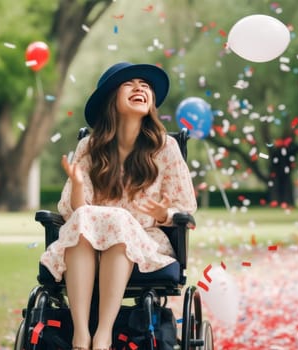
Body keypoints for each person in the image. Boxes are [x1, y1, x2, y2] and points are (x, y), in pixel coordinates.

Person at [40, 62, 197, 349]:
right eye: (130, 83)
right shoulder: (90, 147)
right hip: (88, 243)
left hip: (145, 241)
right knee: (85, 221)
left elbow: (184, 208)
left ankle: (103, 335)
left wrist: (164, 213)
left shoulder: (166, 148)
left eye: (146, 85)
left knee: (118, 222)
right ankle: (80, 334)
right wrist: (77, 183)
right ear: (111, 98)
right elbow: (76, 212)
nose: (140, 88)